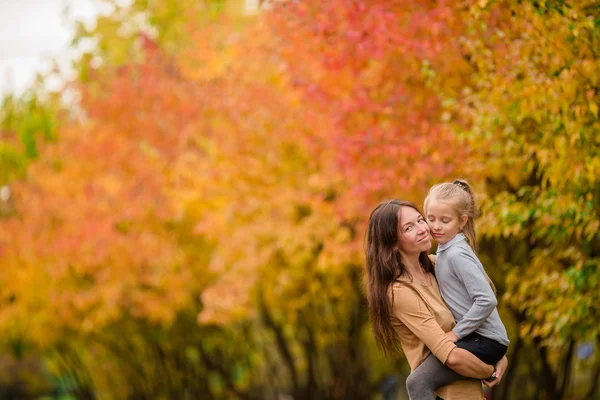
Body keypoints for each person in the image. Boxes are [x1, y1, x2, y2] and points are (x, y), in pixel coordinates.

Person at [364, 199, 507, 400]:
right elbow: (451, 357)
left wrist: (497, 351)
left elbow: (480, 310)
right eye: (409, 227)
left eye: (421, 220)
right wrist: (489, 371)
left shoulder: (436, 266)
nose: (423, 229)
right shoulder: (399, 292)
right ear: (393, 243)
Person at [404, 180, 510, 399]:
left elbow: (487, 300)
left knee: (418, 382)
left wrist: (456, 334)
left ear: (462, 221)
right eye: (430, 219)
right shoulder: (444, 252)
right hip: (480, 338)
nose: (436, 226)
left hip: (484, 339)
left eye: (445, 220)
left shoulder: (456, 254)